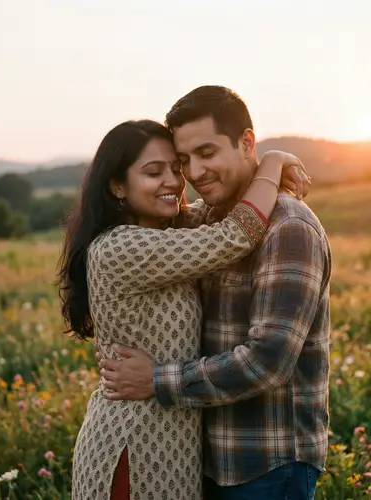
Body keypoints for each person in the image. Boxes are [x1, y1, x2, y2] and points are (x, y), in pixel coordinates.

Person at [98, 86, 332, 500]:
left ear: (246, 143)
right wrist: (274, 162)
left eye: (206, 153)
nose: (194, 172)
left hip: (265, 464)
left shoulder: (288, 227)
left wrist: (155, 379)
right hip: (199, 461)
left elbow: (268, 361)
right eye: (183, 160)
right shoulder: (203, 221)